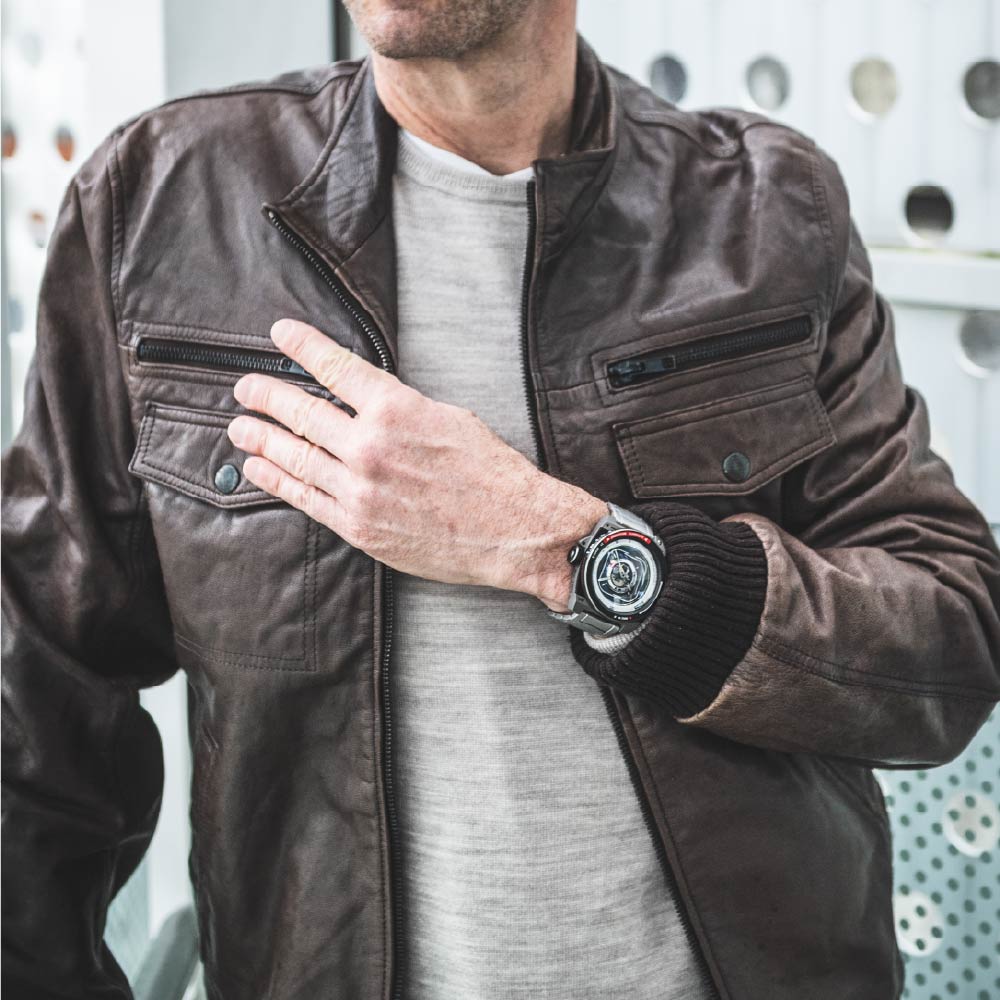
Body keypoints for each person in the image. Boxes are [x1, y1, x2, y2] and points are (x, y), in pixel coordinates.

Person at [3, 1, 999, 997]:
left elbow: (950, 640)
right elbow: (34, 713)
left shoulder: (766, 209)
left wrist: (563, 546)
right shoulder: (158, 202)